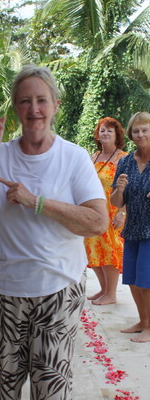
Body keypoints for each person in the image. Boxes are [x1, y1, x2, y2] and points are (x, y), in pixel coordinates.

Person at [0, 65, 108, 400]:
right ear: (15, 108)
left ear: (56, 105)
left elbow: (97, 222)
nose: (34, 109)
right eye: (24, 101)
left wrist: (37, 202)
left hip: (57, 292)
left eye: (41, 100)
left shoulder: (73, 157)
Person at [112, 111, 150, 343]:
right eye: (136, 131)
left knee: (147, 281)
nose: (140, 134)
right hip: (133, 228)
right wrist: (119, 189)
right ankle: (143, 321)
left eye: (145, 130)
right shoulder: (125, 162)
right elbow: (117, 202)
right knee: (134, 280)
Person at [84, 117, 127, 305]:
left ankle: (111, 294)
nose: (106, 133)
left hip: (113, 211)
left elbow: (129, 188)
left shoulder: (123, 158)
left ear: (117, 135)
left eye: (110, 130)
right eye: (102, 130)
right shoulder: (93, 157)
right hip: (94, 210)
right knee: (93, 248)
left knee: (110, 250)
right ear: (97, 135)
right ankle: (103, 289)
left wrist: (122, 212)